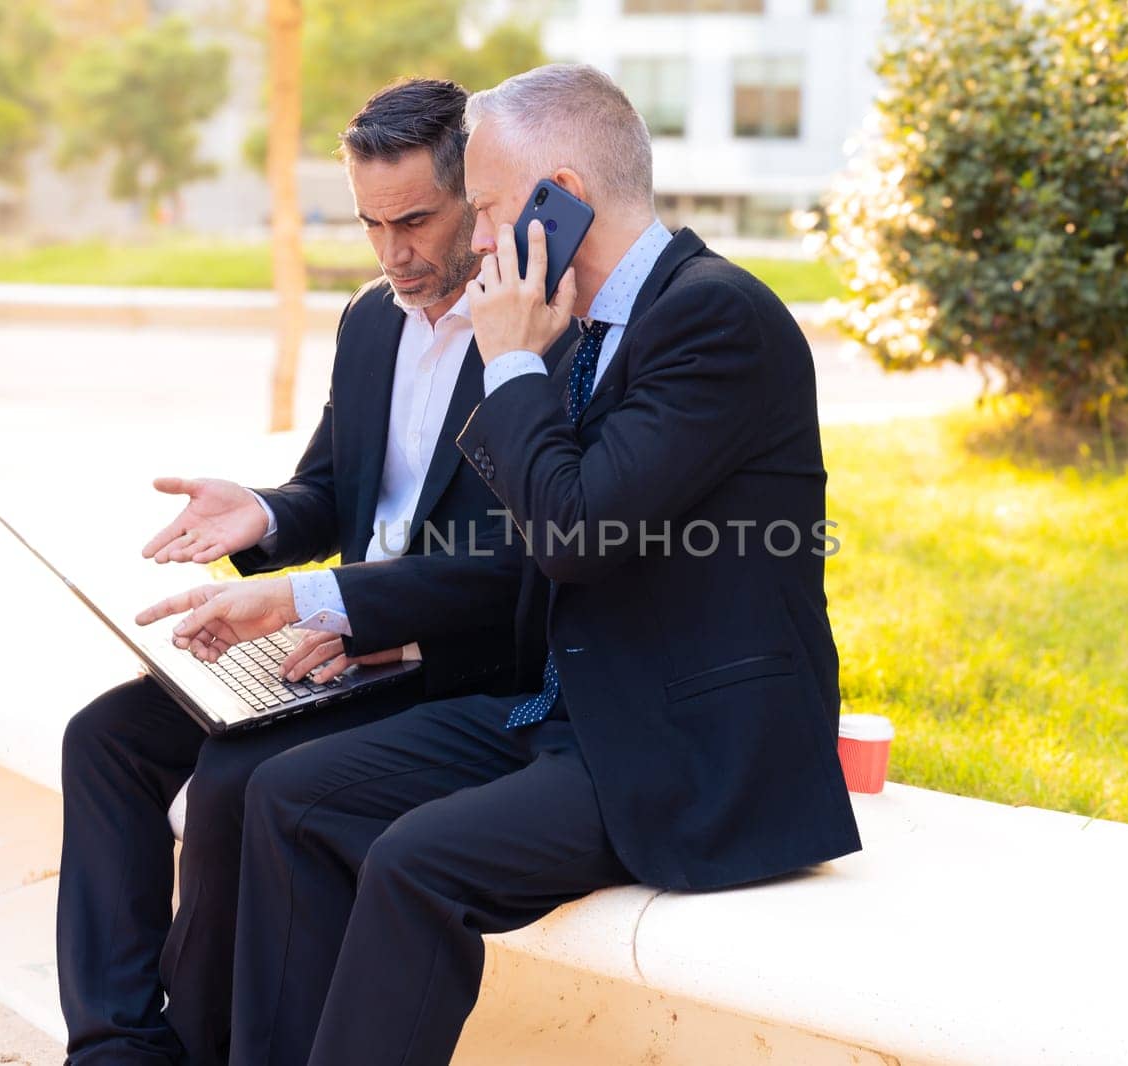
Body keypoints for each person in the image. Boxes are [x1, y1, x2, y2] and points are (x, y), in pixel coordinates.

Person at [151, 62, 863, 1066]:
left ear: (560, 200)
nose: (476, 239)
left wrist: (512, 360)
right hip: (560, 714)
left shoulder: (714, 318)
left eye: (484, 209)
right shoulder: (584, 323)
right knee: (290, 794)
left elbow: (573, 533)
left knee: (415, 862)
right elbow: (524, 544)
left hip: (681, 748)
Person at [55, 78, 575, 1066]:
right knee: (105, 740)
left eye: (415, 219)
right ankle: (120, 1047)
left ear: (484, 195)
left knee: (232, 781)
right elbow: (335, 488)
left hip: (443, 658)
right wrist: (260, 514)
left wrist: (332, 604)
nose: (393, 253)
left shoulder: (541, 334)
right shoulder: (372, 319)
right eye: (371, 224)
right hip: (329, 631)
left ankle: (201, 1046)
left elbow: (517, 567)